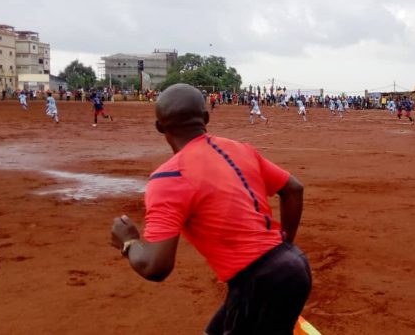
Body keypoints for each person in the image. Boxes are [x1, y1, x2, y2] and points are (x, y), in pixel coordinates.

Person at [110, 84, 311, 334]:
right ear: (205, 118)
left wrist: (128, 243)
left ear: (160, 127)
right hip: (292, 265)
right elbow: (294, 189)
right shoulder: (241, 149)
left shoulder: (169, 177)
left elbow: (155, 266)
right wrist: (284, 246)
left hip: (259, 281)